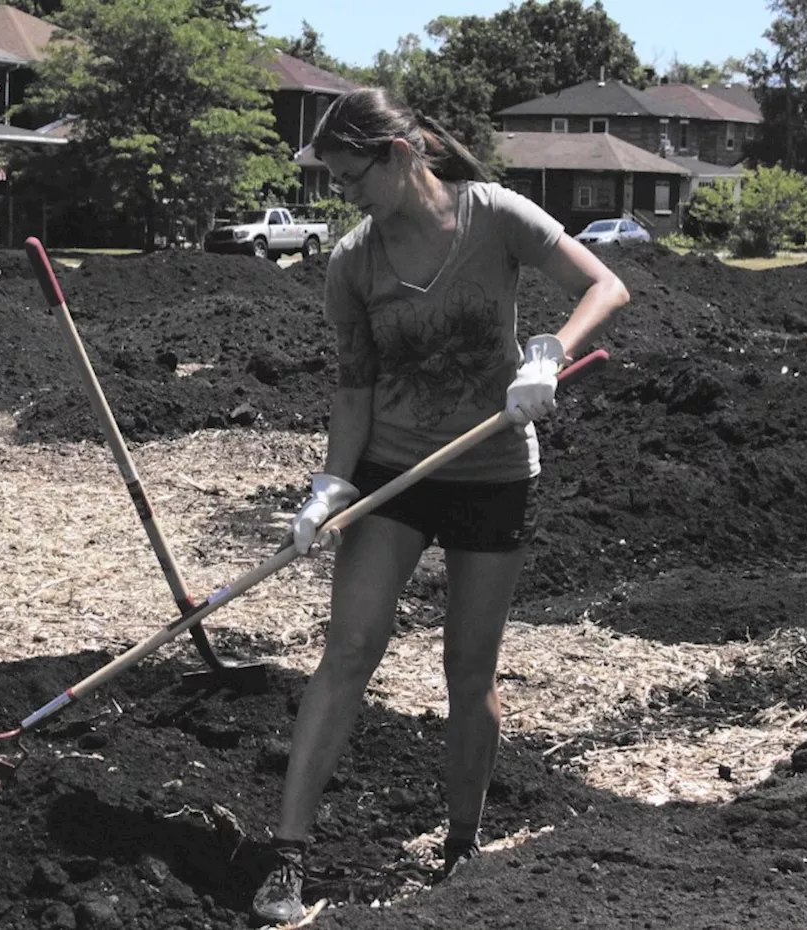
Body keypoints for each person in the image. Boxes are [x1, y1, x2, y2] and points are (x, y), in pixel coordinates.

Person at [250, 87, 631, 926]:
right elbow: (355, 387)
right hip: (393, 472)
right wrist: (328, 485)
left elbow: (604, 285)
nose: (343, 196)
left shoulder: (493, 216)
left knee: (469, 669)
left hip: (494, 470)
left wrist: (548, 354)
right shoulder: (353, 262)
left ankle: (463, 843)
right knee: (349, 650)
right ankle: (287, 858)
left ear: (397, 154)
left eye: (352, 177)